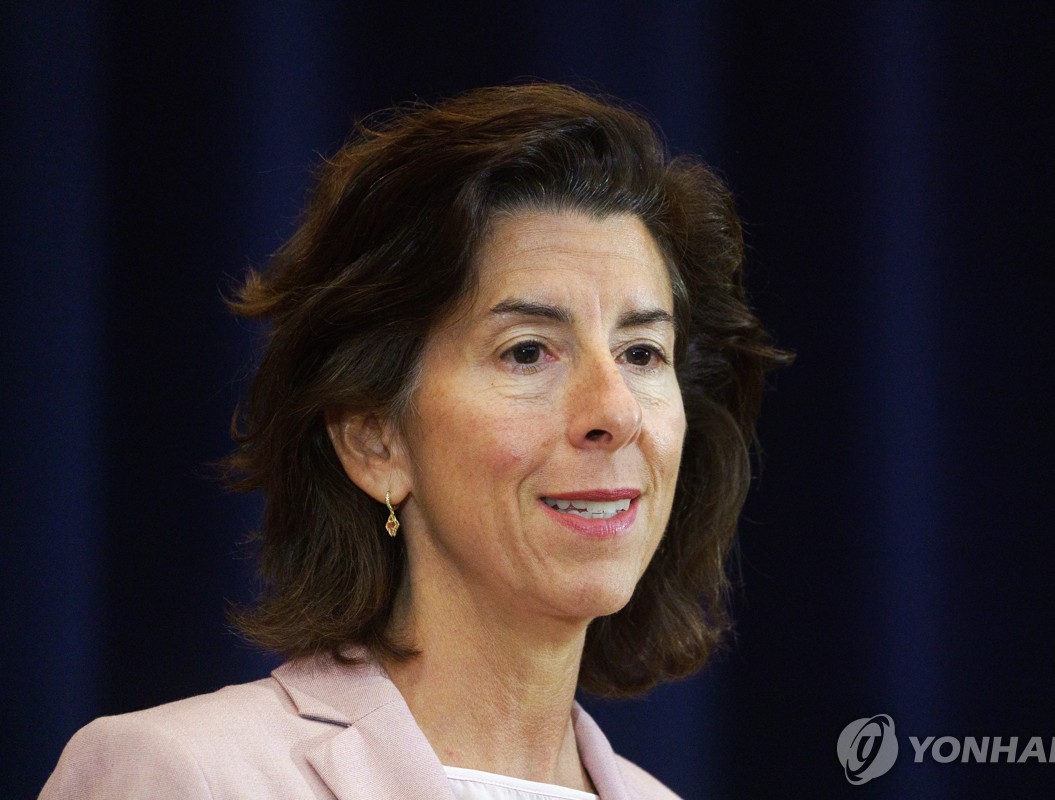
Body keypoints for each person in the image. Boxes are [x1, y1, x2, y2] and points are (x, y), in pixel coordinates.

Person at [40, 83, 789, 799]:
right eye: (528, 351)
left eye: (641, 353)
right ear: (373, 440)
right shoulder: (180, 778)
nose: (616, 411)